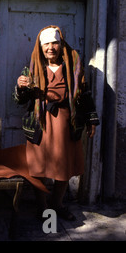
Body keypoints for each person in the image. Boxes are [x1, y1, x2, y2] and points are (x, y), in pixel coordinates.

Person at [13, 25, 99, 221]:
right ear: (40, 47)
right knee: (38, 167)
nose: (50, 47)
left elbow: (84, 95)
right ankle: (42, 207)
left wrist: (91, 120)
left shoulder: (72, 67)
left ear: (60, 45)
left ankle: (56, 204)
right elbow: (19, 100)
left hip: (66, 124)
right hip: (40, 125)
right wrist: (20, 87)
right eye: (46, 44)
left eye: (54, 43)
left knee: (64, 167)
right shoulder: (32, 68)